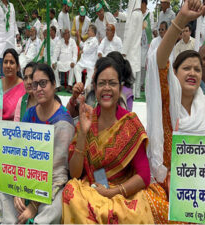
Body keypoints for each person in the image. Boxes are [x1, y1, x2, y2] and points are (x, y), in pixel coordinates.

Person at [62, 57, 154, 223]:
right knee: (70, 191)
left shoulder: (130, 122)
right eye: (102, 83)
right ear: (95, 87)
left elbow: (144, 175)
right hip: (92, 187)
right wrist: (83, 132)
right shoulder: (87, 118)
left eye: (112, 83)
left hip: (123, 191)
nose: (107, 88)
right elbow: (74, 173)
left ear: (120, 87)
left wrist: (113, 192)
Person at [145, 0, 205, 223]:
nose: (193, 72)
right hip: (166, 184)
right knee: (151, 206)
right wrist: (182, 18)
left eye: (197, 69)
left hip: (201, 189)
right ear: (174, 72)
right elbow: (158, 61)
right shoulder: (167, 100)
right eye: (186, 68)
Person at [0, 63, 74, 224]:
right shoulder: (30, 113)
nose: (39, 88)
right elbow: (20, 154)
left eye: (43, 83)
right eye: (35, 85)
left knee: (54, 206)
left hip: (52, 184)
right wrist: (18, 190)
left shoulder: (63, 122)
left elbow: (57, 171)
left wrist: (34, 205)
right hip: (27, 177)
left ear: (54, 85)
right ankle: (13, 221)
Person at [115, 0, 142, 99]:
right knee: (133, 71)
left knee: (130, 73)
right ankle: (134, 95)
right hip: (134, 48)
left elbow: (130, 34)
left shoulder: (135, 14)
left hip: (130, 49)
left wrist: (124, 51)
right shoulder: (138, 14)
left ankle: (130, 96)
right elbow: (128, 17)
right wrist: (119, 15)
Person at [0, 48, 25, 122]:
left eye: (12, 62)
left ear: (18, 67)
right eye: (5, 62)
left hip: (16, 129)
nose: (8, 66)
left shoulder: (24, 88)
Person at [74, 24, 99, 89]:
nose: (87, 32)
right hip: (83, 61)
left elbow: (88, 49)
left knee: (90, 75)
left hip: (91, 62)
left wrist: (82, 51)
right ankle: (79, 86)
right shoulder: (88, 40)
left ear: (93, 32)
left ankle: (85, 89)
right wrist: (78, 36)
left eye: (89, 30)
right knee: (76, 68)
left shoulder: (95, 40)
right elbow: (82, 45)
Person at [141, 0, 154, 91]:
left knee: (147, 64)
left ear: (144, 4)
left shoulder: (150, 14)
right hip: (140, 43)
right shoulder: (138, 13)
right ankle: (141, 84)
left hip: (148, 42)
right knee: (141, 64)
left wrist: (146, 27)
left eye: (141, 4)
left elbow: (152, 27)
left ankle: (147, 85)